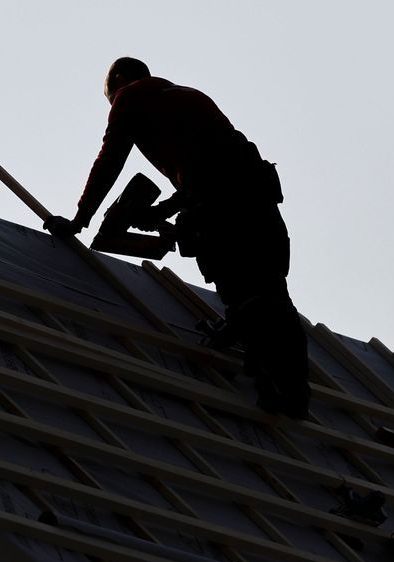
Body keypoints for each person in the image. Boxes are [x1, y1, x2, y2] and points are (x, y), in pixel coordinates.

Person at [45, 57, 311, 418]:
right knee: (269, 290)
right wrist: (164, 213)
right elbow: (209, 170)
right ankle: (293, 390)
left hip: (225, 208)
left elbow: (111, 158)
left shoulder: (130, 96)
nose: (113, 109)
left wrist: (80, 219)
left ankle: (276, 394)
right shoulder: (187, 97)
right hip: (255, 198)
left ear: (121, 80)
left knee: (249, 294)